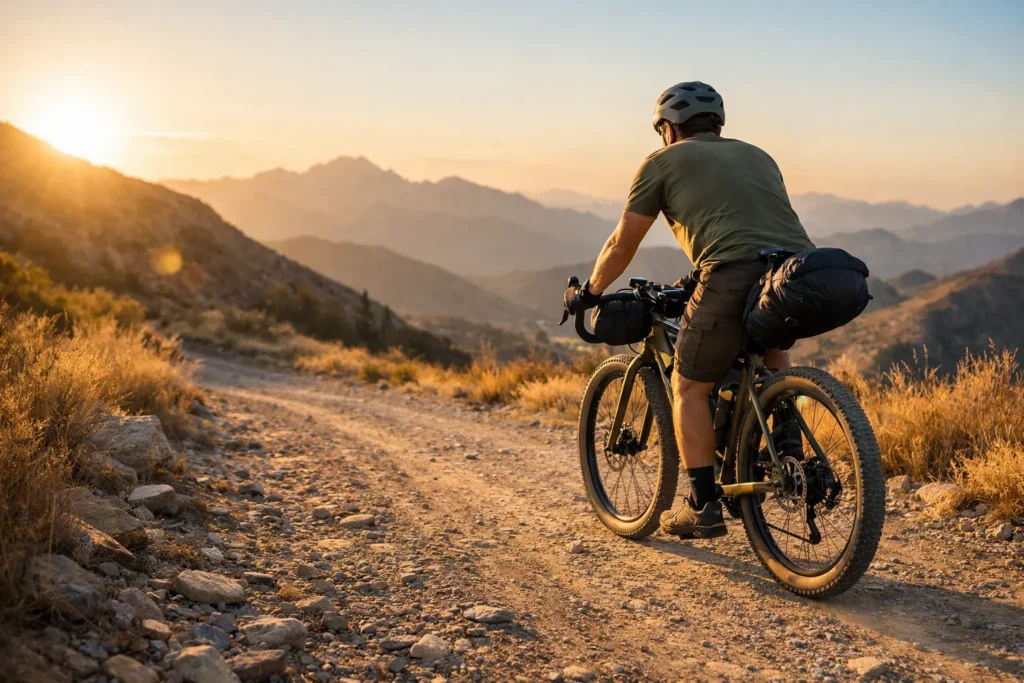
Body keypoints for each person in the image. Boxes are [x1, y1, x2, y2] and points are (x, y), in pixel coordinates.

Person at [572, 81, 814, 540]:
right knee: (770, 357)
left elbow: (623, 242)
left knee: (688, 385)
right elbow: (752, 225)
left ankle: (703, 507)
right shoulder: (759, 155)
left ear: (669, 128)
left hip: (731, 273)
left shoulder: (661, 161)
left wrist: (590, 291)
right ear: (717, 123)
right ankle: (784, 451)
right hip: (795, 274)